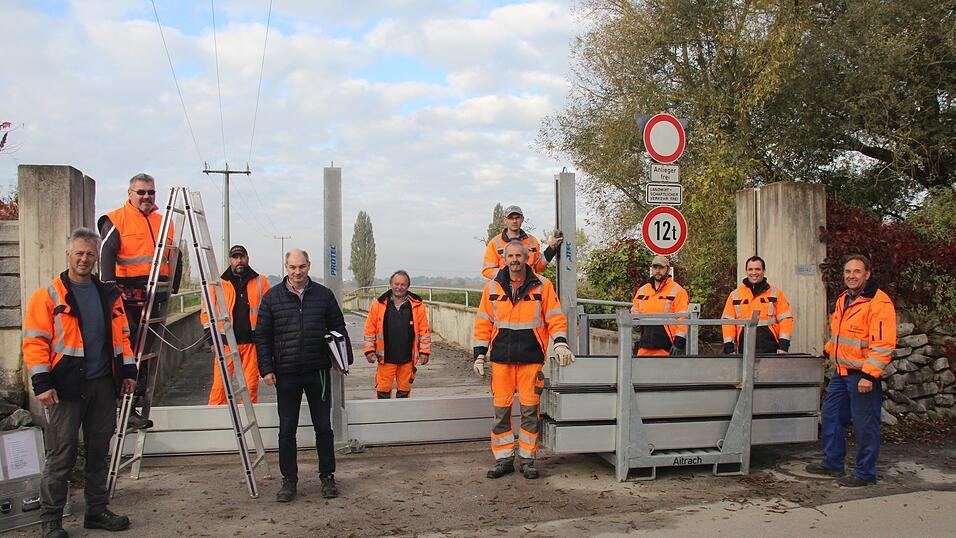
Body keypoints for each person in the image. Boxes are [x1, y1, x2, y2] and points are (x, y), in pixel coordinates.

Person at [23, 228, 136, 537]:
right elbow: (34, 342)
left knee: (100, 451)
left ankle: (96, 512)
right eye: (79, 254)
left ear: (96, 258)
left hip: (102, 384)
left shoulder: (108, 294)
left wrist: (128, 372)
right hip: (65, 388)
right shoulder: (48, 295)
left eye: (90, 254)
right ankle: (51, 522)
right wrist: (42, 382)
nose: (85, 259)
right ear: (68, 256)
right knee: (61, 455)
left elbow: (123, 337)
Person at [255, 249, 352, 502]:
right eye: (292, 267)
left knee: (323, 427)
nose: (297, 272)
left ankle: (327, 477)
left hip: (317, 371)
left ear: (309, 266)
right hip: (285, 374)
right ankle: (289, 481)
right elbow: (262, 337)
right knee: (287, 430)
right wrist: (266, 368)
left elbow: (338, 328)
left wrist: (343, 360)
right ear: (286, 267)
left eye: (301, 266)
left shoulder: (324, 296)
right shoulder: (272, 298)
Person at [473, 240, 574, 480]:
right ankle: (504, 459)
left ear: (527, 258)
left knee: (530, 412)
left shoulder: (542, 285)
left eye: (519, 255)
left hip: (531, 358)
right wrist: (479, 354)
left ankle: (528, 459)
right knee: (501, 411)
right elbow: (483, 322)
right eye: (511, 256)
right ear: (505, 259)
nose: (515, 260)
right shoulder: (493, 287)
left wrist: (560, 342)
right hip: (501, 360)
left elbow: (555, 317)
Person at [806, 255, 896, 487]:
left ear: (867, 274)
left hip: (862, 376)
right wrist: (827, 353)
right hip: (841, 373)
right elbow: (840, 335)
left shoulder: (879, 303)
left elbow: (883, 344)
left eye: (857, 272)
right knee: (831, 416)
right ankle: (833, 463)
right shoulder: (843, 299)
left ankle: (865, 473)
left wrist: (869, 375)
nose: (851, 276)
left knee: (865, 425)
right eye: (848, 272)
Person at [98, 173, 177, 429]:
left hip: (155, 298)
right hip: (127, 298)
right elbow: (105, 255)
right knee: (128, 352)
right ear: (130, 193)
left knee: (146, 356)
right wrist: (110, 291)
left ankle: (137, 402)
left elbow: (174, 254)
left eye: (151, 192)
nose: (146, 197)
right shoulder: (116, 219)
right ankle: (123, 407)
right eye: (141, 192)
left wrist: (173, 287)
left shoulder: (163, 222)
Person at [202, 245, 270, 404]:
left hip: (251, 344)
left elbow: (269, 312)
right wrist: (211, 341)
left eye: (242, 257)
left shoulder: (261, 281)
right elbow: (206, 313)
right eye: (235, 257)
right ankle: (217, 423)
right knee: (220, 388)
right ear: (229, 260)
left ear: (248, 258)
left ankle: (249, 422)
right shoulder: (217, 283)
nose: (239, 260)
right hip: (225, 344)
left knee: (250, 387)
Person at [363, 270, 432, 398]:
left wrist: (424, 352)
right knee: (383, 391)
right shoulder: (378, 305)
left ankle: (403, 416)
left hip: (407, 359)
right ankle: (385, 417)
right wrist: (369, 350)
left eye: (403, 284)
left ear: (408, 286)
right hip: (386, 359)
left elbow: (424, 331)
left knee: (404, 392)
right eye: (396, 284)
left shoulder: (417, 305)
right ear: (391, 284)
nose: (399, 287)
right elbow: (369, 330)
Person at [720, 255, 794, 354]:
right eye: (750, 269)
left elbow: (786, 319)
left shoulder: (776, 293)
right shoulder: (735, 295)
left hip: (771, 348)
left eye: (757, 269)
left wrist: (783, 346)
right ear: (746, 271)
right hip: (744, 348)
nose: (754, 273)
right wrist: (729, 347)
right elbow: (728, 322)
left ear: (764, 271)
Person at [481, 205, 564, 279]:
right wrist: (510, 276)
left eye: (517, 218)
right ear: (505, 220)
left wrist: (552, 248)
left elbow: (538, 267)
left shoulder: (532, 241)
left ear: (522, 219)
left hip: (529, 288)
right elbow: (487, 271)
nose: (514, 221)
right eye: (511, 218)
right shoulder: (495, 243)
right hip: (505, 290)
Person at [629, 255, 690, 356]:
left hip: (667, 346)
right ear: (652, 269)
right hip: (644, 344)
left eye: (661, 268)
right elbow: (634, 312)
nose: (658, 270)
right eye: (655, 267)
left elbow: (683, 318)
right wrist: (636, 336)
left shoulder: (678, 291)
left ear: (668, 269)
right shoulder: (642, 290)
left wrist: (679, 343)